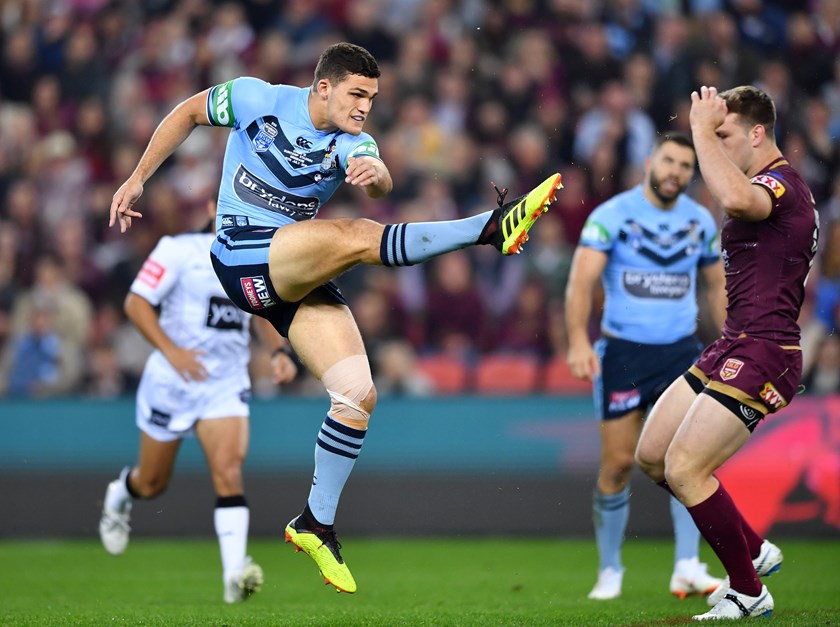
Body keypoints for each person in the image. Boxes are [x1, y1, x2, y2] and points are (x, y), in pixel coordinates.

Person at [109, 42, 563, 594]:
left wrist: (375, 172)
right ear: (324, 87)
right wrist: (137, 178)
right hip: (241, 253)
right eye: (357, 93)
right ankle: (489, 230)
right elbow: (186, 112)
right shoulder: (258, 98)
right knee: (356, 236)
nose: (365, 106)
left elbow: (379, 179)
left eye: (372, 97)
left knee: (356, 394)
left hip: (290, 272)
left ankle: (315, 523)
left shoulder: (354, 139)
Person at [634, 85, 819, 621]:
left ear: (757, 134)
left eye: (724, 134)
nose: (713, 145)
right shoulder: (760, 183)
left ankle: (748, 589)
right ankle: (754, 549)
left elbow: (739, 200)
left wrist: (697, 131)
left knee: (687, 468)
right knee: (653, 457)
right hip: (733, 344)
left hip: (766, 350)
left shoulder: (780, 185)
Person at [98, 201, 298, 604]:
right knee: (151, 484)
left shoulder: (257, 256)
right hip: (172, 383)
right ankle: (122, 492)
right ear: (213, 205)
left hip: (224, 384)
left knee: (228, 473)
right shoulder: (178, 249)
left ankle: (234, 574)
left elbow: (260, 312)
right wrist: (172, 351)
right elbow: (136, 304)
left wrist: (279, 352)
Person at [565, 133, 727, 601]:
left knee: (688, 460)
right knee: (617, 464)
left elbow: (716, 286)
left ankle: (688, 566)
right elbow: (580, 283)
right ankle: (610, 569)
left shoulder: (700, 221)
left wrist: (734, 336)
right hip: (623, 353)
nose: (676, 172)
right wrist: (578, 339)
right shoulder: (611, 216)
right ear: (650, 162)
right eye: (670, 161)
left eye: (685, 166)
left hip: (681, 353)